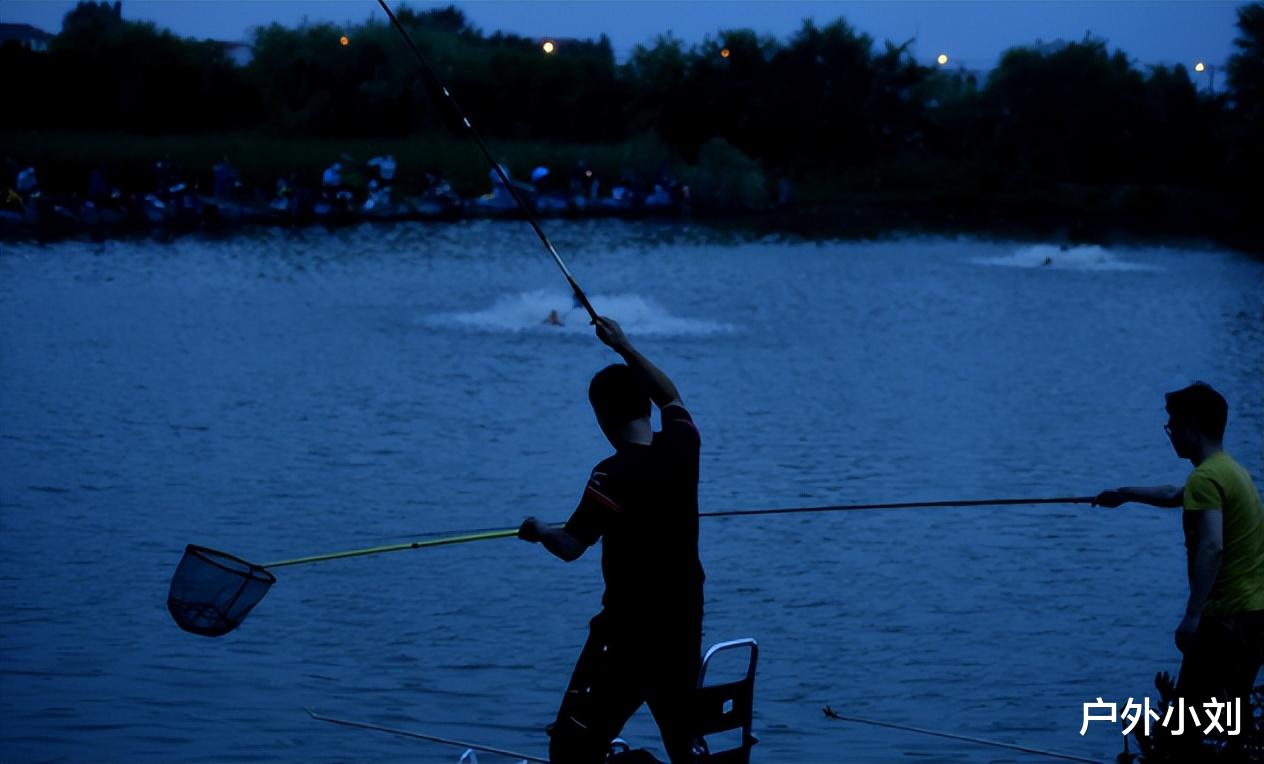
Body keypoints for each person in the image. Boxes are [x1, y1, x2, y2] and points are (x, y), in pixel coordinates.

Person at [519, 316, 705, 764]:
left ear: (602, 418)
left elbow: (571, 546)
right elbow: (671, 395)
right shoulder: (683, 444)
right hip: (682, 628)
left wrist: (540, 530)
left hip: (627, 638)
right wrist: (624, 346)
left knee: (569, 748)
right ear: (645, 405)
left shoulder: (611, 474)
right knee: (683, 743)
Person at [1094, 382, 1263, 752]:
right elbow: (1174, 494)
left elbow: (1212, 547)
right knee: (1230, 726)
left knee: (1177, 738)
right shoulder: (1230, 471)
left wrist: (1192, 616)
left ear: (1192, 426)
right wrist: (1124, 494)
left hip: (1225, 621)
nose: (1170, 433)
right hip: (1253, 616)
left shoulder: (1206, 479)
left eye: (1172, 425)